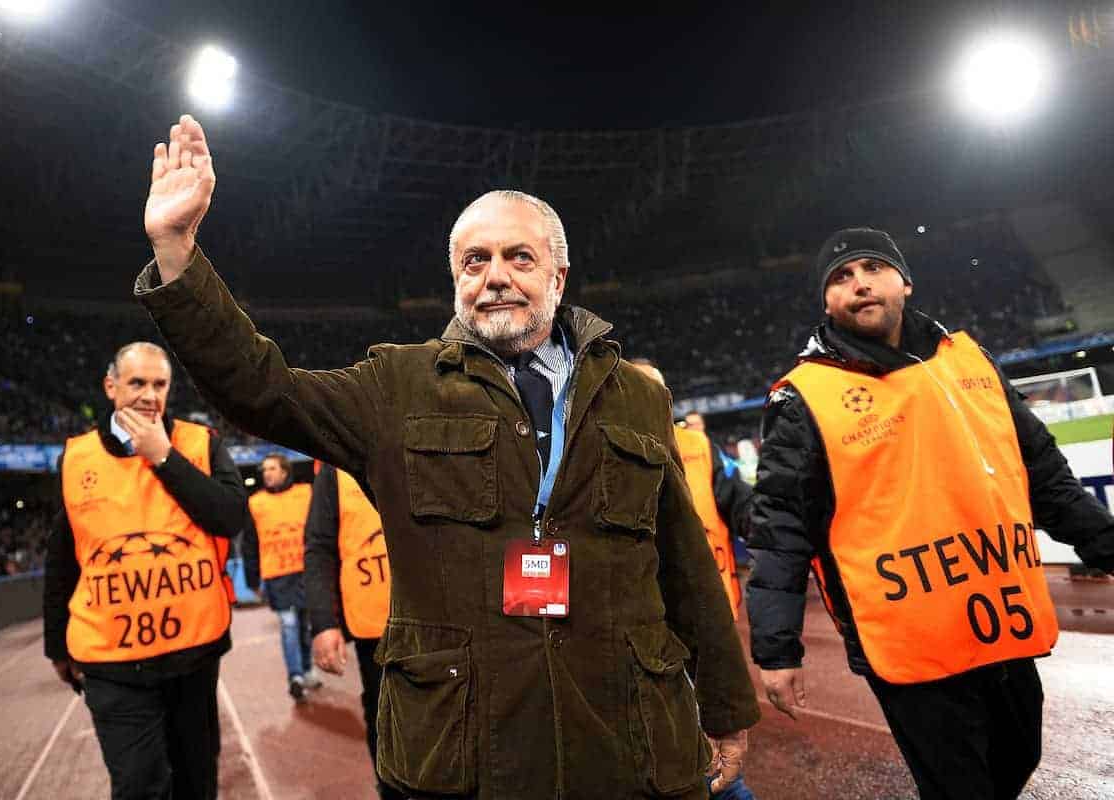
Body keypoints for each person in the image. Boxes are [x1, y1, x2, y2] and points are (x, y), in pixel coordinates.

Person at [133, 114, 759, 799]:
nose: (496, 277)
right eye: (475, 260)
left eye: (520, 257)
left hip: (623, 736)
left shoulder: (635, 396)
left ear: (559, 275)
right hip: (462, 750)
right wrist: (176, 251)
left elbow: (685, 561)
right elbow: (261, 388)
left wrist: (726, 706)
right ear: (455, 278)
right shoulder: (394, 385)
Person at [748, 227, 1114, 800]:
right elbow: (780, 531)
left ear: (905, 282)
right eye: (840, 278)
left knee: (1019, 757)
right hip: (905, 639)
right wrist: (777, 648)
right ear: (827, 302)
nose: (859, 283)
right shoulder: (802, 397)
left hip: (1001, 618)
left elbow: (1044, 477)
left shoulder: (970, 360)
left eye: (872, 268)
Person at [43, 342, 247, 799]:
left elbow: (230, 516)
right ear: (111, 387)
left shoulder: (201, 444)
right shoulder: (75, 459)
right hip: (112, 664)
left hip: (191, 657)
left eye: (159, 384)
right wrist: (57, 645)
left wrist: (164, 457)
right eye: (137, 383)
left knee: (196, 783)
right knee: (139, 786)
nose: (149, 394)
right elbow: (61, 558)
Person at [629, 360, 756, 800]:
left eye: (658, 392)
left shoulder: (697, 446)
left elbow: (740, 502)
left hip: (709, 614)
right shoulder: (605, 451)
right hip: (648, 627)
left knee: (714, 748)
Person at [306, 466, 403, 800]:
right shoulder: (333, 471)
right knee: (385, 721)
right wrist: (323, 621)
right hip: (376, 629)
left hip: (447, 615)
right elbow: (319, 546)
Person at [242, 452, 321, 703]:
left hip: (306, 572)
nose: (267, 473)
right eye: (264, 469)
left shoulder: (306, 493)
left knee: (306, 626)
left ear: (285, 472)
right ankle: (295, 677)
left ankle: (307, 670)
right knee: (288, 626)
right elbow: (250, 545)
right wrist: (252, 580)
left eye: (272, 468)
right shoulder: (255, 503)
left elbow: (321, 532)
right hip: (277, 575)